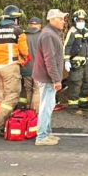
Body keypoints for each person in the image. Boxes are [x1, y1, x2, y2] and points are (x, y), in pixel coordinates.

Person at [0, 5, 29, 136]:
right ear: (15, 19)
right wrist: (23, 61)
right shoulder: (17, 31)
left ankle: (5, 124)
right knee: (12, 97)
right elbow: (25, 51)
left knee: (3, 97)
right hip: (10, 67)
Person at [33, 9, 67, 146]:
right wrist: (56, 79)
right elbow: (50, 59)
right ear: (52, 20)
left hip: (47, 77)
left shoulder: (51, 33)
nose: (63, 21)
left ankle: (46, 133)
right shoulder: (48, 35)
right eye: (60, 19)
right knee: (46, 107)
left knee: (48, 105)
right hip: (47, 78)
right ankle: (41, 137)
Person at [63, 9, 88, 110]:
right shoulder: (72, 31)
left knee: (87, 81)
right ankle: (73, 105)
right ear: (75, 20)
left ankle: (83, 102)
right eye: (79, 20)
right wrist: (66, 61)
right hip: (76, 62)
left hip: (86, 61)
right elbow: (67, 46)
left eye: (83, 20)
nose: (81, 22)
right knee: (76, 83)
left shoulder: (86, 31)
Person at [20, 16, 43, 111]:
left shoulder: (23, 36)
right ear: (40, 26)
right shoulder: (42, 36)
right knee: (37, 90)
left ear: (29, 25)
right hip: (39, 69)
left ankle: (28, 109)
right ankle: (35, 112)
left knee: (28, 90)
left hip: (25, 68)